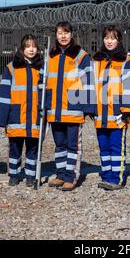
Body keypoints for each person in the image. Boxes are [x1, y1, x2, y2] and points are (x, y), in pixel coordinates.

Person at [45, 21, 96, 191]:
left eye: (66, 32)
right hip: (55, 109)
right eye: (60, 33)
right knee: (59, 145)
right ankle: (60, 174)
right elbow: (45, 82)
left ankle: (71, 176)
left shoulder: (81, 56)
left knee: (72, 145)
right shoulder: (50, 55)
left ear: (71, 34)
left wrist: (88, 108)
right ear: (56, 35)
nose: (63, 36)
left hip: (74, 109)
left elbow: (88, 83)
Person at [0, 34, 44, 187]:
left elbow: (45, 92)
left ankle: (30, 175)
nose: (31, 49)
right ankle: (14, 174)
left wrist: (45, 111)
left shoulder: (41, 68)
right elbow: (3, 94)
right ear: (22, 49)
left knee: (33, 148)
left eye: (34, 46)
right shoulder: (11, 68)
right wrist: (2, 118)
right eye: (27, 46)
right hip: (16, 116)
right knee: (14, 147)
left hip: (35, 116)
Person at [92, 26, 130, 191]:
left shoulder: (126, 60)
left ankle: (116, 179)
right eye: (106, 38)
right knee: (103, 146)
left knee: (116, 147)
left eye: (113, 38)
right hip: (101, 114)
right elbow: (91, 85)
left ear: (118, 41)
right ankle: (106, 176)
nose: (109, 41)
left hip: (117, 114)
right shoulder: (97, 61)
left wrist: (126, 110)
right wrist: (91, 108)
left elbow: (129, 85)